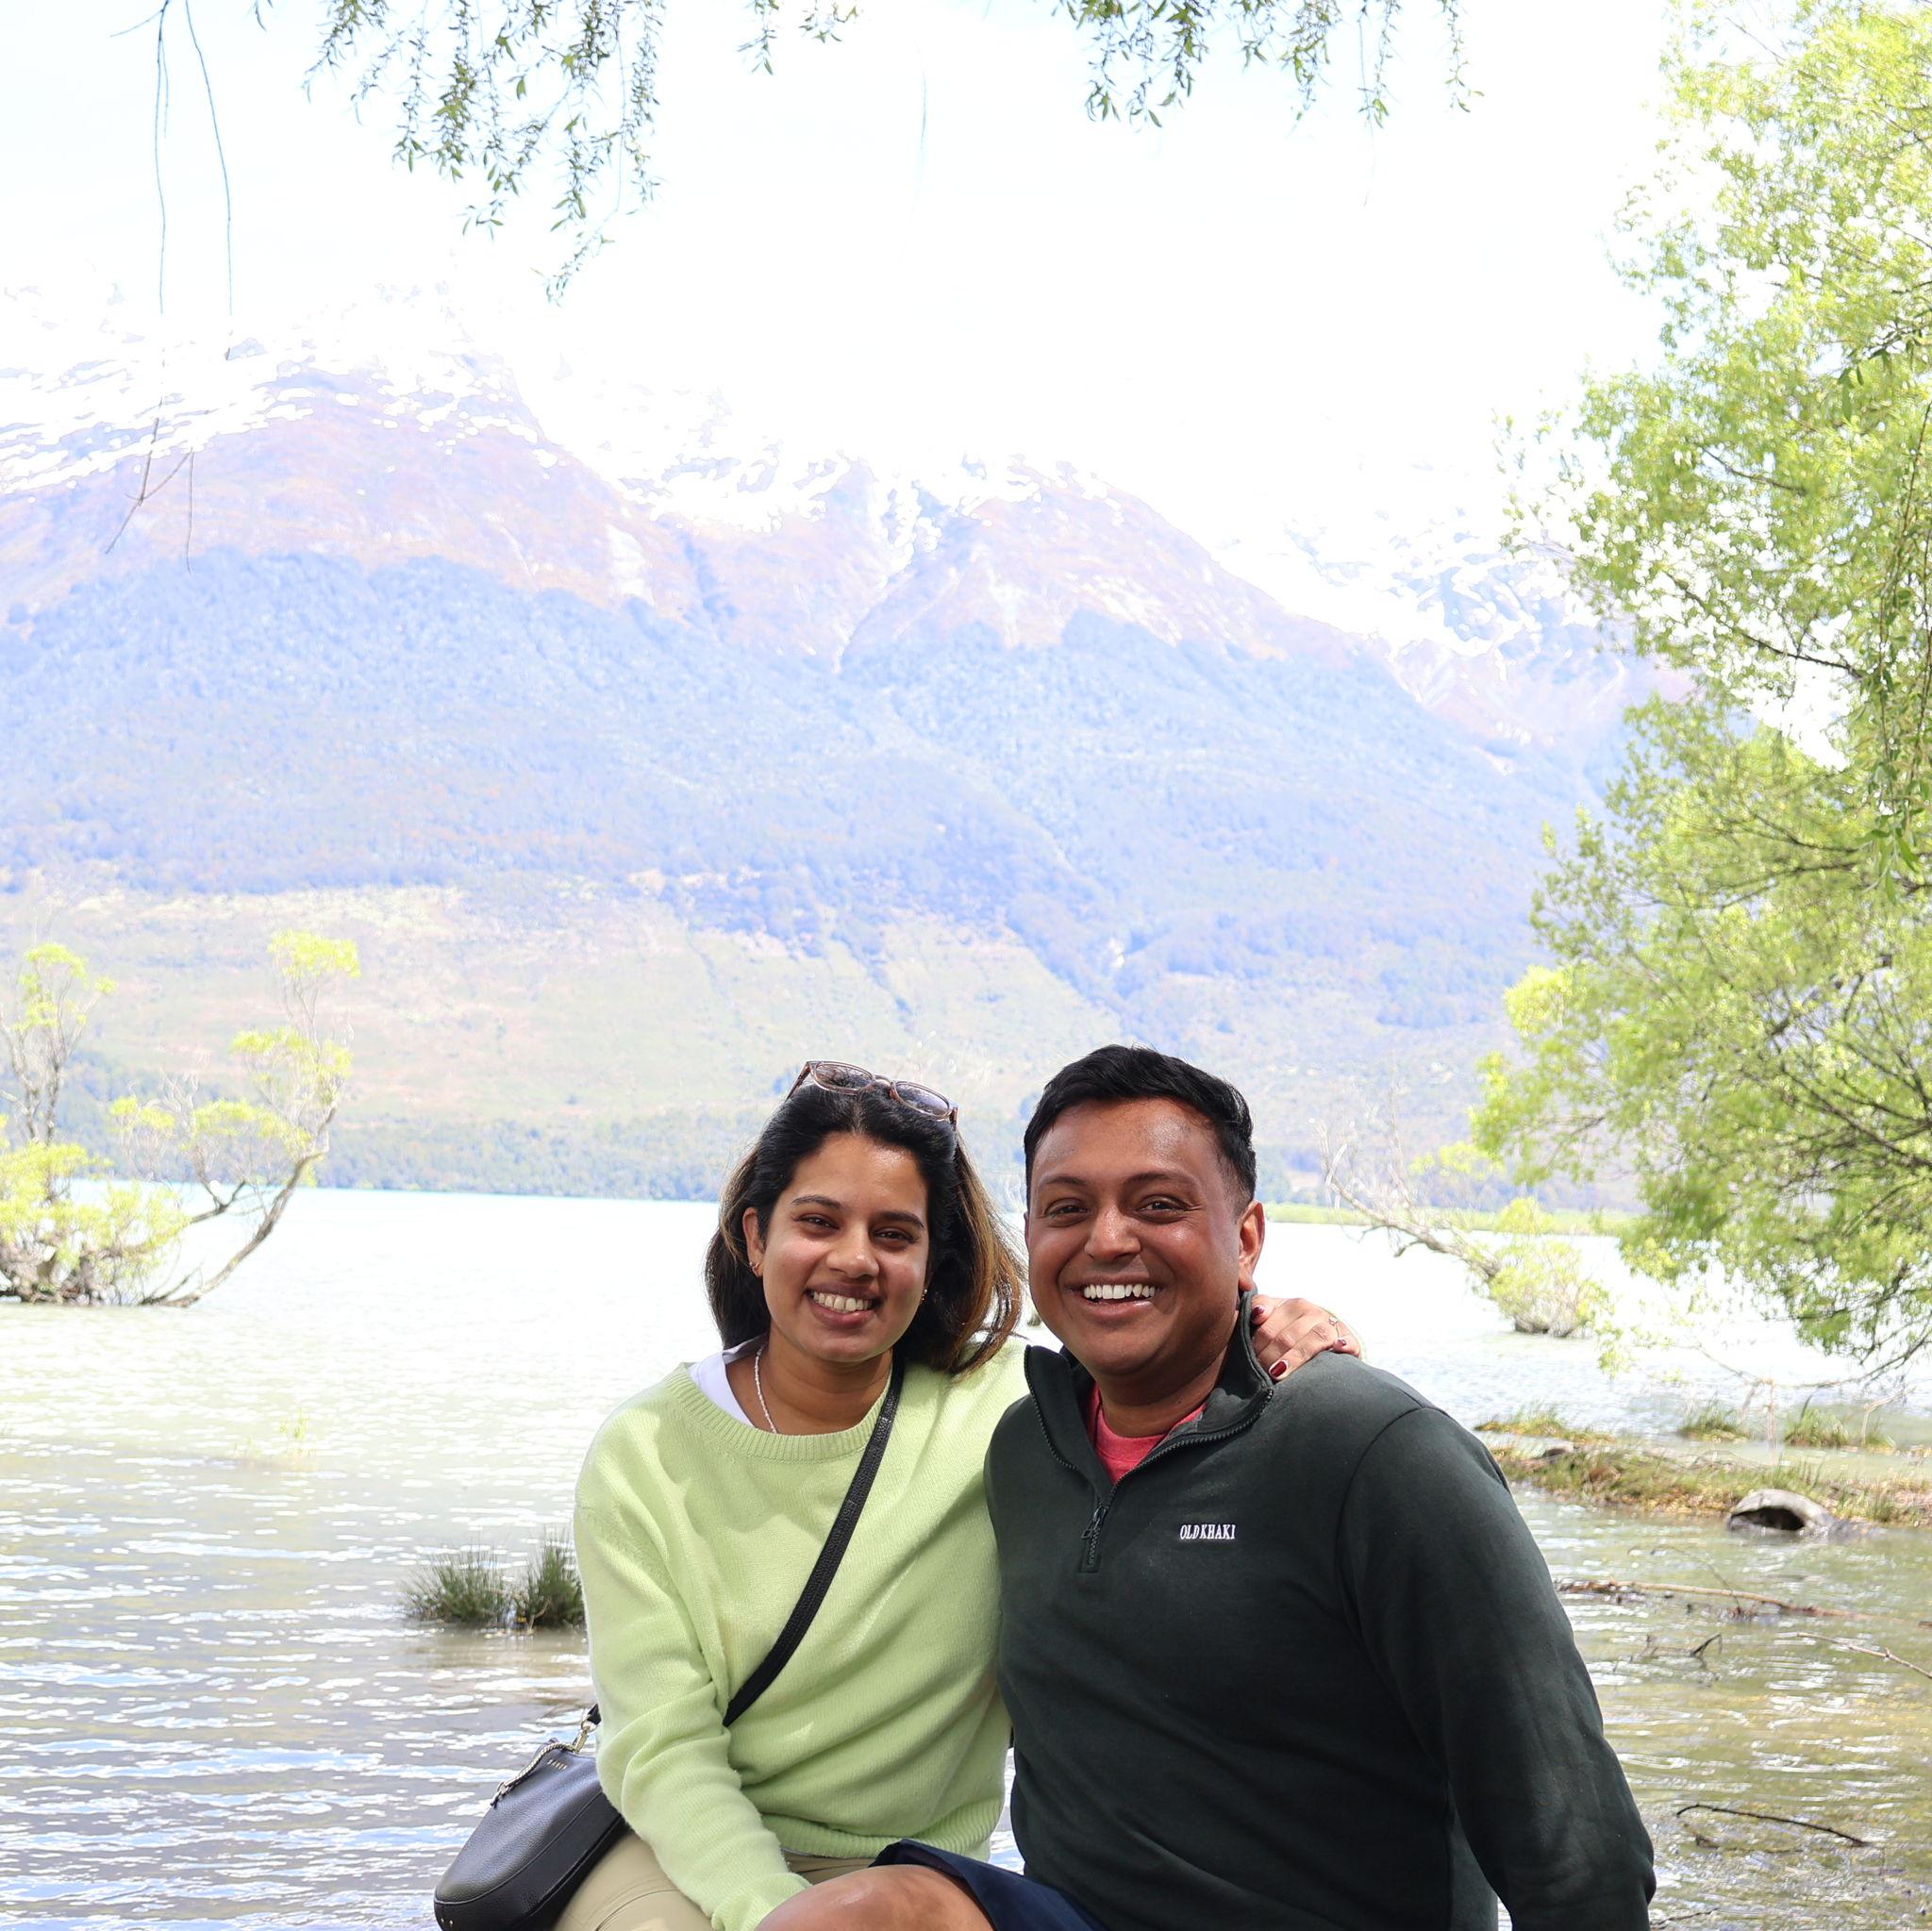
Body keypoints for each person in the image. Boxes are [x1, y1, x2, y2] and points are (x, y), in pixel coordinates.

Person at [767, 1045, 1657, 1931]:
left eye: (1159, 1204)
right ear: (1030, 1235)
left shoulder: (1377, 1456)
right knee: (855, 1914)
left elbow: (1578, 1850)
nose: (1107, 1239)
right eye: (1067, 1208)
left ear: (1246, 1239)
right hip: (1071, 1916)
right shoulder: (1024, 1447)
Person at [561, 1059, 1359, 1931]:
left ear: (933, 1257)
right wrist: (774, 1914)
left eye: (894, 1233)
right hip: (676, 1860)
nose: (854, 1259)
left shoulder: (1017, 1405)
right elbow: (663, 1748)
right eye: (818, 1221)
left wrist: (1270, 1319)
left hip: (916, 1877)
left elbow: (1163, 1355)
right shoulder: (643, 1453)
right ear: (755, 1236)